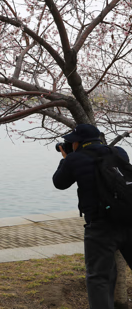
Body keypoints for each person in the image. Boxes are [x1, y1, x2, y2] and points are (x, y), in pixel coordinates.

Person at [53, 124, 132, 309]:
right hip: (129, 219)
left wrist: (65, 158)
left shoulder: (75, 159)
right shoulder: (119, 152)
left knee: (98, 278)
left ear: (77, 142)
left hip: (100, 227)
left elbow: (59, 183)